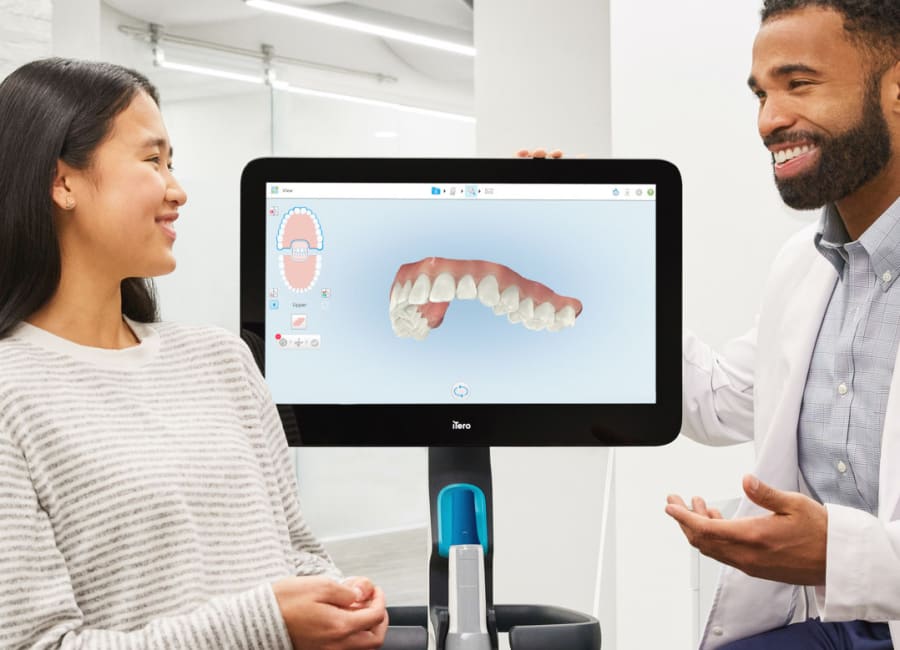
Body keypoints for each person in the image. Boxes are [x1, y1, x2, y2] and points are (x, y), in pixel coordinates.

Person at [0, 58, 388, 649]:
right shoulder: (11, 393)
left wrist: (340, 600)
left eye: (172, 163)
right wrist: (267, 623)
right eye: (152, 160)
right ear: (63, 182)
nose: (176, 190)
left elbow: (297, 553)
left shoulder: (221, 360)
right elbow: (35, 645)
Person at [666, 0, 900, 648]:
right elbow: (717, 401)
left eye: (799, 84)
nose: (770, 120)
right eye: (762, 94)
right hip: (836, 624)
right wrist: (604, 256)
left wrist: (837, 554)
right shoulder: (804, 266)